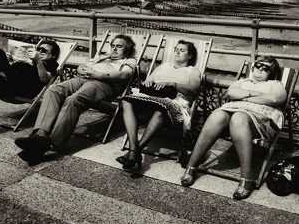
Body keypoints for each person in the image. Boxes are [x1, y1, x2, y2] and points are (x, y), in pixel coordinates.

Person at [180, 56, 287, 200]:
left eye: (266, 68)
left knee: (239, 117)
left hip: (261, 122)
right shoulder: (242, 81)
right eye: (259, 65)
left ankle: (246, 179)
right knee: (218, 114)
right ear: (253, 67)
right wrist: (258, 95)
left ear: (271, 72)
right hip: (233, 114)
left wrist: (244, 97)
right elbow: (230, 93)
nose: (261, 69)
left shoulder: (275, 84)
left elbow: (274, 99)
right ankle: (191, 167)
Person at [14, 34, 136, 160]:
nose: (114, 49)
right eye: (113, 46)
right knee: (54, 90)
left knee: (74, 99)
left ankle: (51, 143)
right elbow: (83, 66)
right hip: (83, 78)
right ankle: (40, 134)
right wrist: (81, 68)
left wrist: (100, 75)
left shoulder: (129, 61)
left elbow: (124, 75)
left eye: (119, 46)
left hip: (103, 84)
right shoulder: (102, 57)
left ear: (127, 49)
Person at [116, 40, 201, 171]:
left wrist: (173, 84)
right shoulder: (163, 66)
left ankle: (133, 153)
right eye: (176, 49)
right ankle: (134, 151)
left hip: (175, 102)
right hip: (153, 97)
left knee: (161, 110)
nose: (177, 52)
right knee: (126, 101)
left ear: (189, 56)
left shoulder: (192, 71)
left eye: (182, 50)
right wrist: (149, 83)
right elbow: (148, 81)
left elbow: (193, 90)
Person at [0, 40, 60, 139]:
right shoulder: (30, 59)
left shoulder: (52, 64)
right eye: (38, 49)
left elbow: (44, 79)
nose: (40, 51)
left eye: (44, 51)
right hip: (10, 80)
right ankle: (1, 78)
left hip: (24, 88)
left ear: (53, 55)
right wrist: (13, 60)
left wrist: (38, 61)